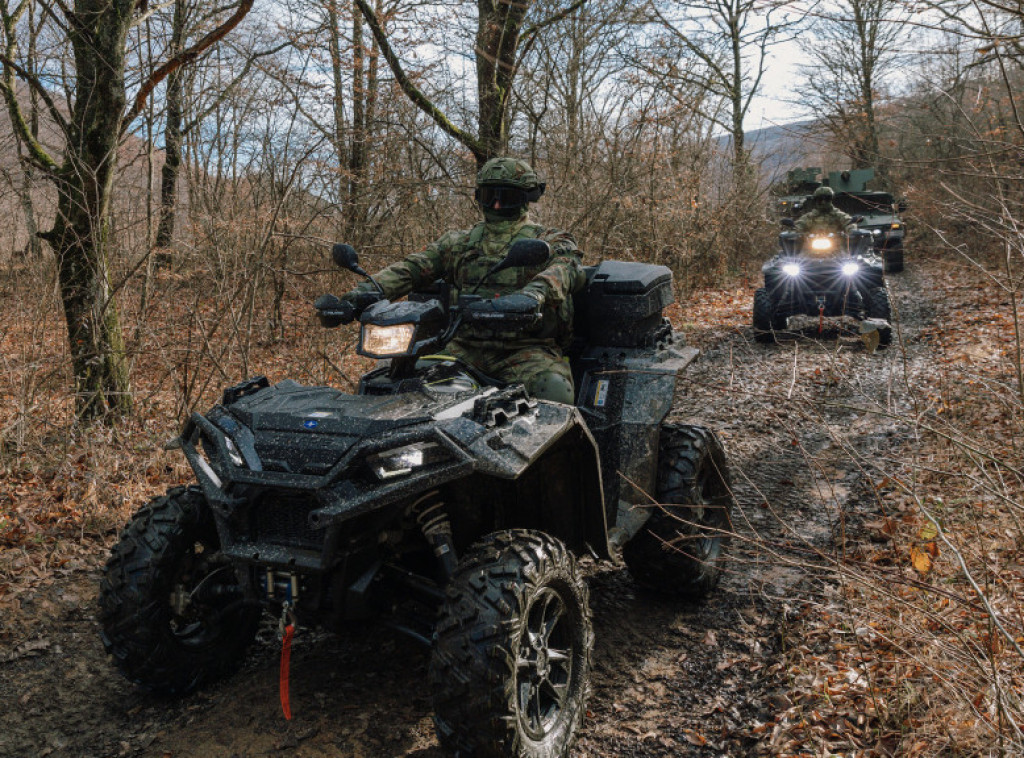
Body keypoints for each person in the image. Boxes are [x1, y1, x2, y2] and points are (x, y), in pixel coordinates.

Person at [341, 157, 586, 404]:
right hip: (462, 348)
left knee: (554, 390)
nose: (497, 204)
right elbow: (412, 268)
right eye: (489, 196)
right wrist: (361, 294)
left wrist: (535, 294)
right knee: (399, 384)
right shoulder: (460, 243)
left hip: (526, 350)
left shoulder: (551, 239)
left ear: (526, 198)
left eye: (507, 197)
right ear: (479, 197)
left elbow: (568, 267)